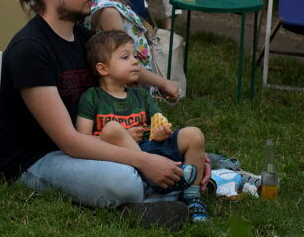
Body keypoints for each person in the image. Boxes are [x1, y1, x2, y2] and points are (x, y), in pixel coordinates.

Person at [0, 0, 210, 212]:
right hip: (38, 159)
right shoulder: (30, 50)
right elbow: (69, 141)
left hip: (92, 145)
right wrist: (144, 161)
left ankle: (171, 184)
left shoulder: (85, 40)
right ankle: (169, 193)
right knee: (124, 182)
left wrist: (173, 154)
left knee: (183, 147)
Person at [76, 30, 209, 223]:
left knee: (193, 134)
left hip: (151, 148)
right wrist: (125, 136)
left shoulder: (141, 95)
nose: (135, 61)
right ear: (103, 69)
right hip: (119, 157)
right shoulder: (92, 98)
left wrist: (162, 132)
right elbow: (82, 138)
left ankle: (193, 196)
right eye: (125, 57)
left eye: (135, 56)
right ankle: (166, 182)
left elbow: (158, 122)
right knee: (112, 129)